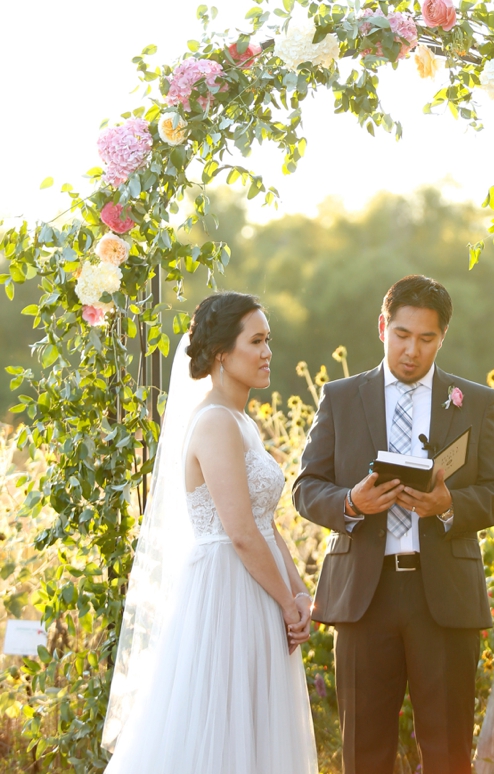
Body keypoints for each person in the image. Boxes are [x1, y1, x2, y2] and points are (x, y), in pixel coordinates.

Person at [293, 274, 494, 774]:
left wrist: (447, 505)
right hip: (363, 598)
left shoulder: (474, 401)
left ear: (443, 338)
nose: (412, 350)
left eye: (427, 338)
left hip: (444, 598)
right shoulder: (341, 397)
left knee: (448, 750)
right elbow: (305, 487)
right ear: (381, 327)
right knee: (364, 753)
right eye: (402, 335)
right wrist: (351, 502)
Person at [102, 292, 318, 774]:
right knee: (220, 733)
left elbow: (266, 523)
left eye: (269, 341)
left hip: (259, 588)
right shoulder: (216, 421)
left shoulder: (243, 422)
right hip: (228, 594)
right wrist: (286, 603)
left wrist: (302, 593)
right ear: (222, 352)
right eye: (256, 341)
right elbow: (240, 532)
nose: (267, 353)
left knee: (254, 733)